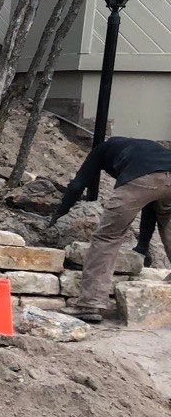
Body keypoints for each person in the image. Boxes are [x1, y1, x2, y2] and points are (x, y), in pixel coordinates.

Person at [48, 136, 171, 322]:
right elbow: (150, 206)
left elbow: (77, 185)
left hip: (141, 178)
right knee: (168, 222)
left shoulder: (101, 149)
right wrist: (142, 247)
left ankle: (90, 304)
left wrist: (59, 214)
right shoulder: (148, 146)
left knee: (107, 237)